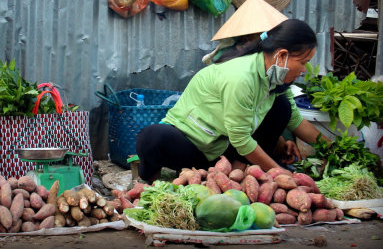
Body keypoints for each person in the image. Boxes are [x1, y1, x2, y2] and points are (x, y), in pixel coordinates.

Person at [136, 19, 329, 183]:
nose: (304, 69)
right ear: (282, 55)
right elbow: (241, 140)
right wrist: (281, 173)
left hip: (223, 152)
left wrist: (333, 150)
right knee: (153, 137)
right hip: (190, 145)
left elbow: (295, 121)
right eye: (303, 62)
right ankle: (150, 179)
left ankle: (236, 172)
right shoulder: (241, 77)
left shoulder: (276, 79)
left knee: (282, 107)